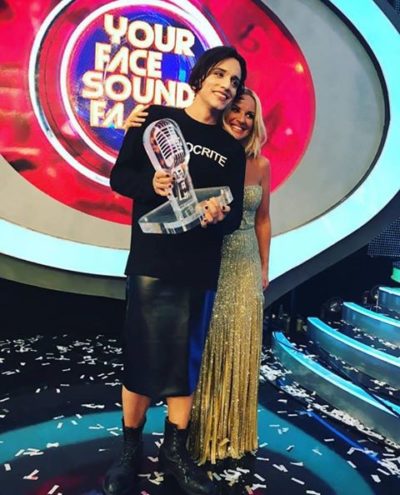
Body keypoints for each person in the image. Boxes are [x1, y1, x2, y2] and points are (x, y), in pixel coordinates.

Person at [103, 46, 247, 495]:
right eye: (219, 74)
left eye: (235, 81)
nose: (226, 85)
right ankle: (129, 452)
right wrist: (151, 183)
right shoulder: (154, 119)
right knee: (141, 359)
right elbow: (120, 178)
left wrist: (219, 211)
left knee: (185, 363)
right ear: (200, 76)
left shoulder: (231, 148)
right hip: (152, 260)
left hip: (199, 267)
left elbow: (234, 215)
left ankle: (174, 453)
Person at [125, 88, 271, 465]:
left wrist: (264, 268)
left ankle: (220, 434)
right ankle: (167, 442)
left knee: (222, 353)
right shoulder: (191, 143)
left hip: (237, 263)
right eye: (236, 110)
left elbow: (260, 218)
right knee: (187, 355)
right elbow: (133, 177)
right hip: (192, 258)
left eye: (250, 115)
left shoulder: (256, 163)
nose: (241, 119)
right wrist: (136, 126)